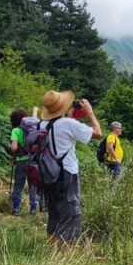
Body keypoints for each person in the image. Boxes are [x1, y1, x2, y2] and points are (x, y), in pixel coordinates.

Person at [38, 91, 101, 242]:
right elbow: (98, 133)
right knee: (71, 212)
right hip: (67, 172)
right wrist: (90, 113)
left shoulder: (42, 124)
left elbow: (59, 132)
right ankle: (65, 250)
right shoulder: (68, 124)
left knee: (54, 211)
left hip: (49, 173)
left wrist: (69, 117)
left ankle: (51, 245)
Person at [9, 107, 40, 215]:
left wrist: (13, 149)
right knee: (33, 185)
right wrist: (35, 111)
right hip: (33, 160)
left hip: (21, 161)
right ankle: (33, 208)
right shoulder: (32, 129)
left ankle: (16, 208)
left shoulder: (16, 130)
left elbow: (14, 148)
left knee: (18, 184)